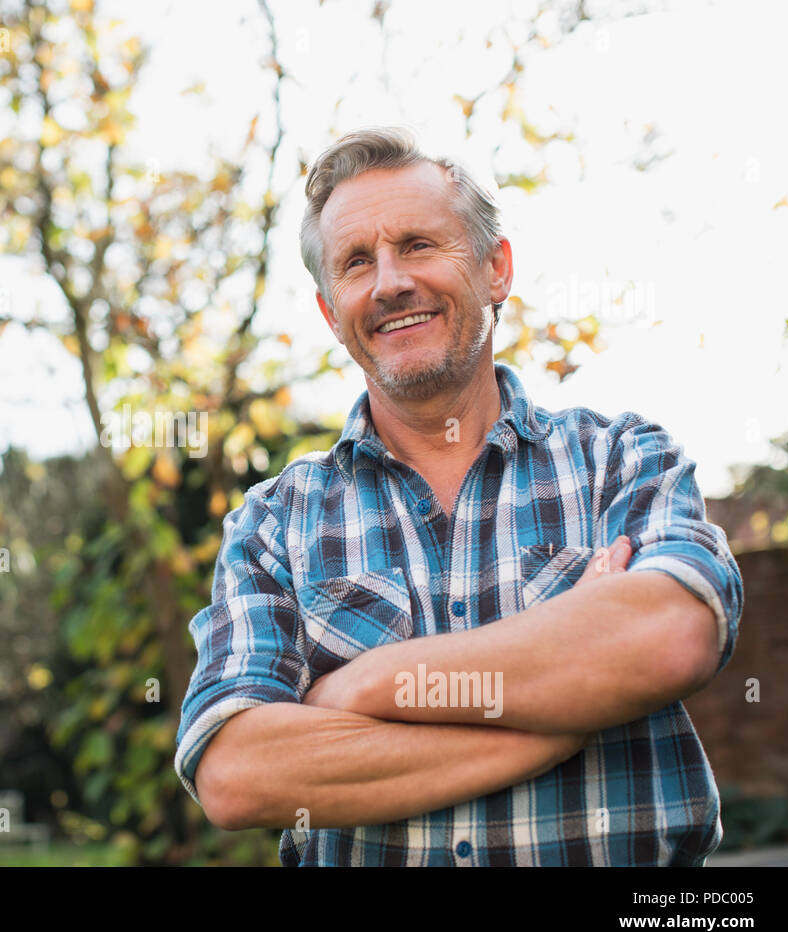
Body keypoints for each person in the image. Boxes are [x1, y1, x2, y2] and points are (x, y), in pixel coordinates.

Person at [173, 126, 743, 866]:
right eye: (355, 263)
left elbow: (670, 639)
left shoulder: (621, 458)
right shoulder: (274, 524)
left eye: (417, 244)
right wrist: (568, 712)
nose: (389, 283)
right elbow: (237, 774)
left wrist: (365, 683)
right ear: (329, 312)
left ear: (496, 267)